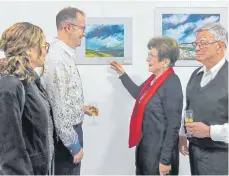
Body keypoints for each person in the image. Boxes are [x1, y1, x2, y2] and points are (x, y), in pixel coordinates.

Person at [110, 36, 183, 175]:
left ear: (165, 61)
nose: (147, 59)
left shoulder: (172, 83)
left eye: (152, 56)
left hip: (159, 154)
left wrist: (166, 160)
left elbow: (174, 125)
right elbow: (138, 94)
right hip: (146, 149)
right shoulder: (154, 80)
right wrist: (122, 75)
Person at [42, 7, 94, 175]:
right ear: (68, 27)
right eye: (82, 28)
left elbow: (61, 96)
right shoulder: (57, 58)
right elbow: (58, 108)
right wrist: (74, 145)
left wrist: (79, 107)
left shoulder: (64, 55)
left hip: (69, 131)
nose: (84, 33)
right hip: (65, 137)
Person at [0, 22, 55, 175]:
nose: (46, 52)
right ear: (29, 50)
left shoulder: (30, 81)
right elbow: (9, 148)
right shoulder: (10, 85)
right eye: (44, 47)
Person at [179, 22, 228, 175]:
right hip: (195, 153)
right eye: (196, 43)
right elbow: (190, 108)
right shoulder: (196, 74)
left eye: (203, 43)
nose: (197, 47)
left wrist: (209, 131)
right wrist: (183, 133)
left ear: (220, 46)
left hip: (221, 156)